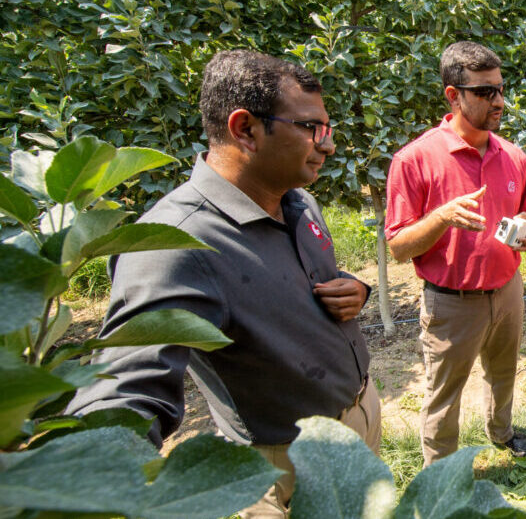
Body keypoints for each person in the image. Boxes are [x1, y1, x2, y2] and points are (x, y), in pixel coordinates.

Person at [68, 50, 377, 518]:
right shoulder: (175, 244)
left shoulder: (299, 204)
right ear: (245, 129)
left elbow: (302, 284)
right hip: (289, 462)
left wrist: (356, 289)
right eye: (311, 128)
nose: (327, 145)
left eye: (326, 130)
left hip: (358, 417)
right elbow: (127, 386)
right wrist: (84, 480)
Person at [385, 41, 526, 467]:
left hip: (507, 292)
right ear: (453, 95)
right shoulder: (415, 159)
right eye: (485, 92)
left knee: (503, 373)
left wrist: (524, 234)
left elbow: (525, 214)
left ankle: (502, 433)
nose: (499, 102)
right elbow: (398, 246)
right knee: (444, 395)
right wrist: (441, 218)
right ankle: (441, 475)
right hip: (452, 303)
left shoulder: (514, 157)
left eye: (501, 90)